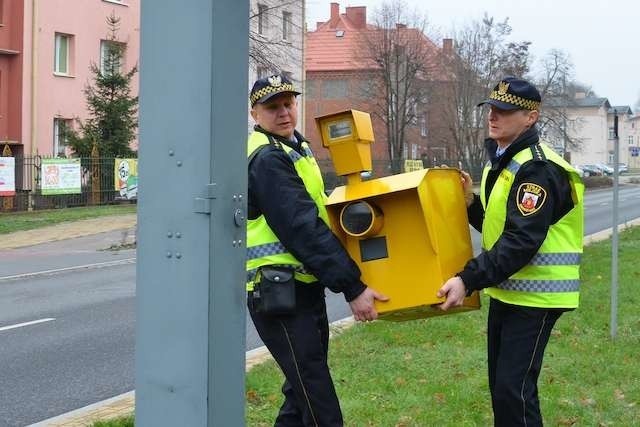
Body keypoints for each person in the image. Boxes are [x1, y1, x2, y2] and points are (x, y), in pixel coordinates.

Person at [437, 76, 584, 426]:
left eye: (505, 110)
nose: (494, 116)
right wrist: (472, 203)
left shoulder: (537, 168)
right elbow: (499, 226)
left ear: (530, 118)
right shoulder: (501, 162)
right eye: (492, 108)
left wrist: (466, 279)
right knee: (504, 391)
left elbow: (521, 241)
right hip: (510, 293)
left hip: (537, 298)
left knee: (514, 391)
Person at [246, 73, 388, 427]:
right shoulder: (267, 158)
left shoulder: (295, 148)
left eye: (288, 104)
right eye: (272, 107)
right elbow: (302, 227)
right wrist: (353, 287)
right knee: (317, 397)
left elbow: (316, 214)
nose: (283, 113)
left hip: (300, 289)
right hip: (279, 292)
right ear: (254, 113)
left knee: (301, 395)